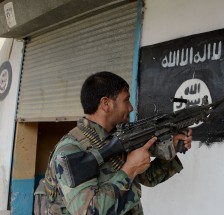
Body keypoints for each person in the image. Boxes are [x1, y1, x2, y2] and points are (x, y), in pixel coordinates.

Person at [41, 71, 192, 214]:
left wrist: (171, 148)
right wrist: (130, 169)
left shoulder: (118, 138)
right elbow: (88, 211)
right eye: (126, 100)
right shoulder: (71, 149)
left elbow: (149, 177)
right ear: (106, 104)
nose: (131, 107)